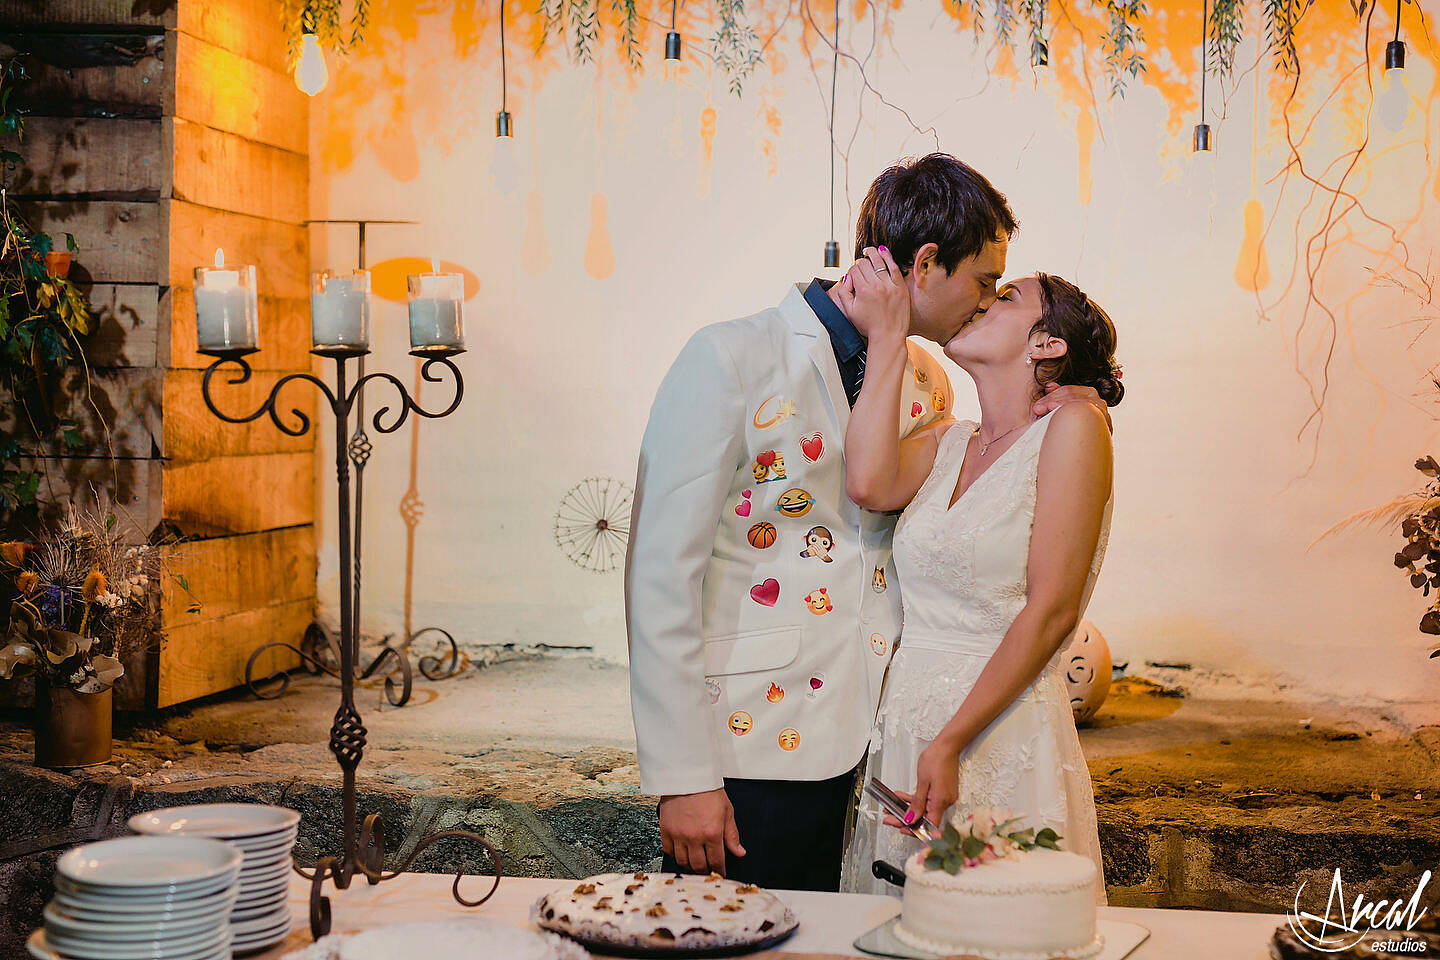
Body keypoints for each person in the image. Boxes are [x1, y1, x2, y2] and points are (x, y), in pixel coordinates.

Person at [625, 153, 1104, 891]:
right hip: (752, 746)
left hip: (882, 747)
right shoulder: (731, 358)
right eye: (982, 282)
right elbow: (659, 577)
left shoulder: (925, 381)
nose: (983, 305)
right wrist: (683, 775)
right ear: (925, 262)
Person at [835, 245, 1121, 903]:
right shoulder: (948, 441)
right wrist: (888, 336)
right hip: (908, 725)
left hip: (997, 731)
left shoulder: (1076, 427)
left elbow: (1052, 610)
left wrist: (951, 741)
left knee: (998, 927)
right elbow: (866, 481)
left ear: (1046, 345)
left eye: (1007, 297)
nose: (984, 300)